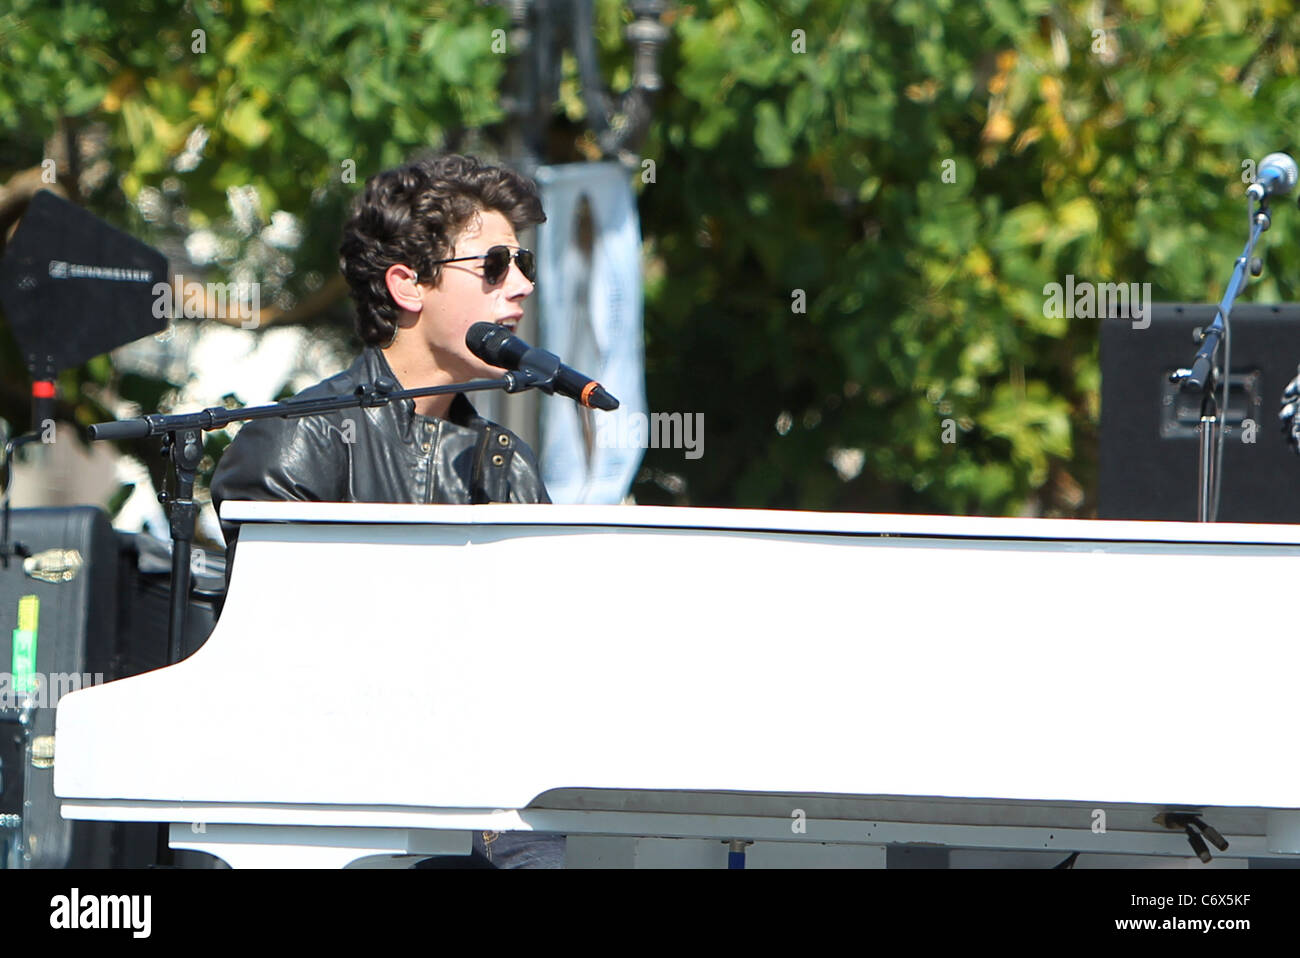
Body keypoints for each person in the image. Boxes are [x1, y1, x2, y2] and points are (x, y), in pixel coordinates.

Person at [209, 153, 563, 868]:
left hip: (493, 811)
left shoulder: (508, 464)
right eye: (494, 265)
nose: (521, 284)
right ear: (408, 284)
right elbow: (292, 673)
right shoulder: (295, 441)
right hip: (345, 813)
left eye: (521, 262)